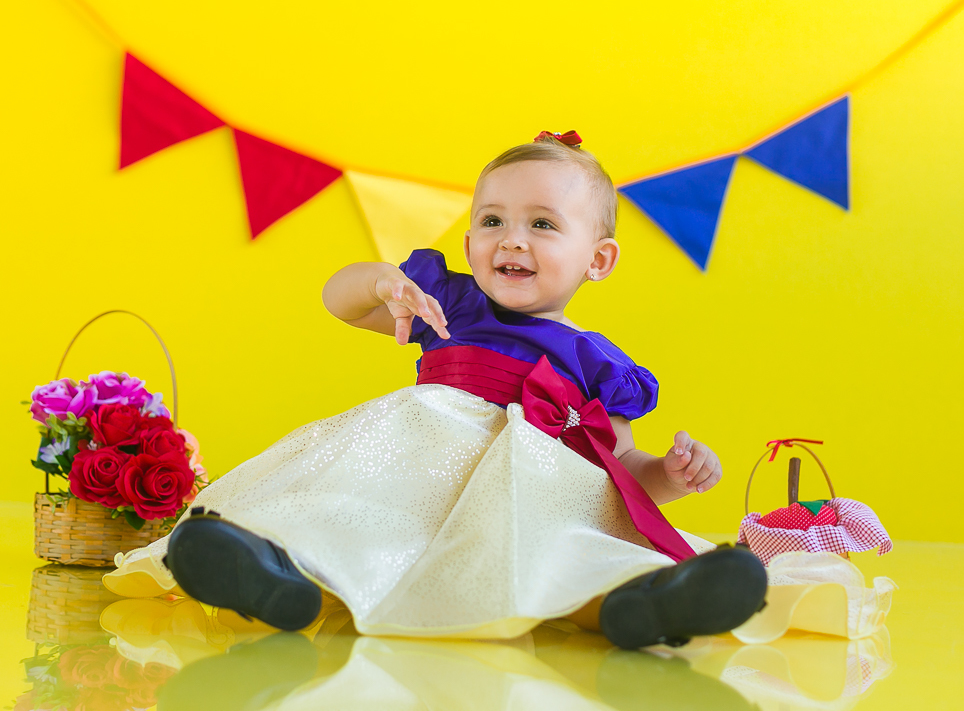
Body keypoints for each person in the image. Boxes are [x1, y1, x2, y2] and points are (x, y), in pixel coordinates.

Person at [103, 131, 767, 649]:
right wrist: (382, 286)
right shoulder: (445, 299)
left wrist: (670, 474)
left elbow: (617, 470)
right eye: (491, 220)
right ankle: (277, 577)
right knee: (339, 512)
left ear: (597, 259)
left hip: (525, 491)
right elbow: (339, 300)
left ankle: (637, 604)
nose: (511, 239)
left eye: (542, 224)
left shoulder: (600, 366)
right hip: (412, 470)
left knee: (561, 551)